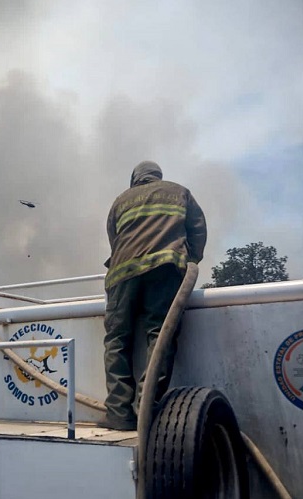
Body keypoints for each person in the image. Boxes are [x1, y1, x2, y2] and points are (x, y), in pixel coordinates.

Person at [99, 160, 207, 430]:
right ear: (158, 176)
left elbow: (114, 238)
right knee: (160, 333)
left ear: (135, 178)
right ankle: (147, 409)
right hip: (165, 269)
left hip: (122, 273)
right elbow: (197, 230)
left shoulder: (120, 200)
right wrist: (189, 259)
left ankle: (118, 413)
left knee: (117, 339)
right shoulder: (179, 191)